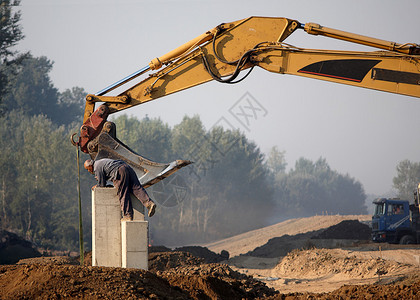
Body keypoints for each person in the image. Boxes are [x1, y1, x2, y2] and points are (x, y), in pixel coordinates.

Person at [84, 158, 156, 220]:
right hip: (127, 168)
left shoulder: (96, 167)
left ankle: (128, 215)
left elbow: (102, 184)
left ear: (90, 166)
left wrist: (97, 186)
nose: (89, 171)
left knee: (123, 193)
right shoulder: (100, 162)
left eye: (87, 169)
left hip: (120, 171)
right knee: (136, 188)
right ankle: (149, 203)